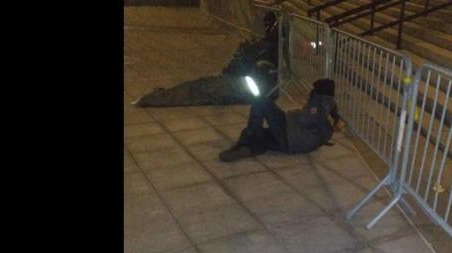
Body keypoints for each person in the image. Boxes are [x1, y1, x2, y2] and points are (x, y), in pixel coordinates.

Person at [134, 11, 279, 107]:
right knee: (199, 87)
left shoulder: (267, 49)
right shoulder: (266, 46)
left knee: (199, 90)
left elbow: (245, 69)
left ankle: (154, 99)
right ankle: (157, 97)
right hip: (240, 81)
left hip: (243, 85)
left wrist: (244, 54)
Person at [219, 78, 342, 162]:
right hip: (291, 143)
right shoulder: (327, 108)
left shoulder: (320, 104)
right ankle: (248, 148)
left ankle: (247, 143)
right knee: (261, 135)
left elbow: (305, 119)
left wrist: (294, 114)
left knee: (262, 102)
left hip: (290, 135)